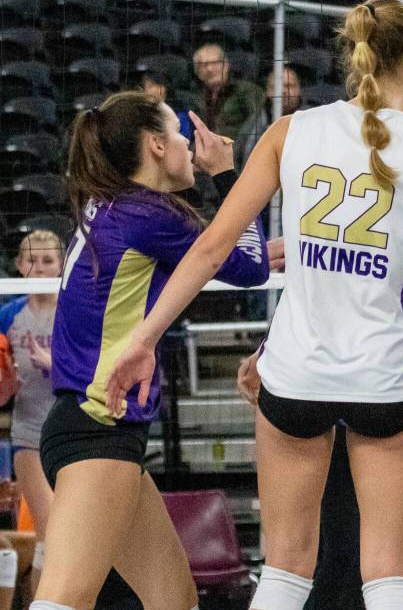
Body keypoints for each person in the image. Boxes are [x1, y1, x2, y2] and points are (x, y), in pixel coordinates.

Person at [105, 0, 403, 610]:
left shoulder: (292, 130)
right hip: (383, 378)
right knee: (390, 573)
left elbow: (217, 248)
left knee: (286, 570)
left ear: (354, 54)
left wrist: (144, 339)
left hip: (295, 375)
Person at [28, 91, 268, 610]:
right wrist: (227, 174)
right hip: (98, 429)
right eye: (181, 135)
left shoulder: (113, 206)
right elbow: (247, 267)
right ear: (157, 146)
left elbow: (233, 255)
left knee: (174, 600)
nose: (190, 145)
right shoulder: (152, 215)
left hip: (94, 430)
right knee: (63, 600)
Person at [0, 231, 63, 597]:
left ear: (61, 265)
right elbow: (3, 395)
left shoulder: (76, 310)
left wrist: (56, 364)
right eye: (32, 261)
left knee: (67, 540)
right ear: (20, 267)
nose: (39, 268)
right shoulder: (8, 317)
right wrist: (6, 381)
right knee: (51, 535)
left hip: (74, 433)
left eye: (48, 261)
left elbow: (96, 375)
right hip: (29, 435)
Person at [191, 42, 265, 141]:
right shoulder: (196, 99)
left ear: (226, 65)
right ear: (197, 72)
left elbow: (258, 125)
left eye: (215, 63)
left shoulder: (247, 91)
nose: (209, 69)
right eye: (204, 65)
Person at [235, 66, 303, 169]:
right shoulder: (254, 122)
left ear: (298, 90)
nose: (283, 91)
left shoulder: (311, 120)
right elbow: (237, 157)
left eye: (289, 86)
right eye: (276, 87)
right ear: (268, 91)